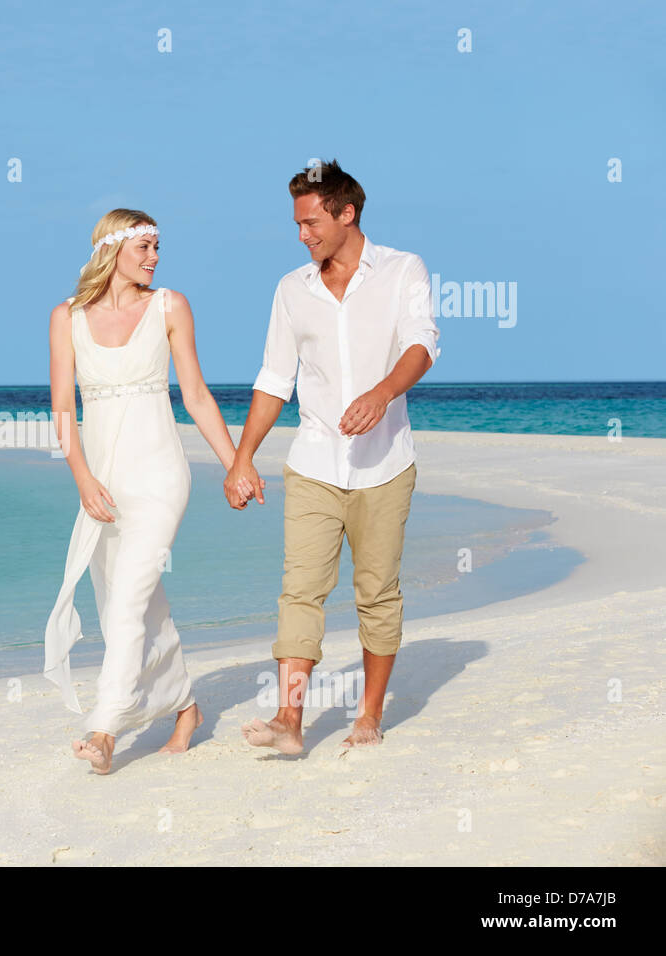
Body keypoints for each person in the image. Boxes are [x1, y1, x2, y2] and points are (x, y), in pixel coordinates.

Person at [228, 160, 441, 753]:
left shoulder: (403, 270)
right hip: (315, 462)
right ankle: (289, 722)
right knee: (301, 590)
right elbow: (275, 379)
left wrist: (382, 392)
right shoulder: (291, 289)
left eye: (311, 222)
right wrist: (243, 458)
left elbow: (423, 344)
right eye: (297, 224)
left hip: (385, 464)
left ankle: (369, 716)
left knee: (376, 593)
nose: (303, 234)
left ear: (347, 214)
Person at [45, 208, 254, 774]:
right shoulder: (66, 317)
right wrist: (82, 478)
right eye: (144, 247)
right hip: (103, 482)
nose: (155, 257)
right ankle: (184, 704)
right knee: (129, 602)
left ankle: (105, 727)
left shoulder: (170, 307)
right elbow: (64, 409)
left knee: (129, 602)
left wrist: (238, 462)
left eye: (158, 246)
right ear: (112, 250)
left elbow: (197, 395)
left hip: (161, 474)